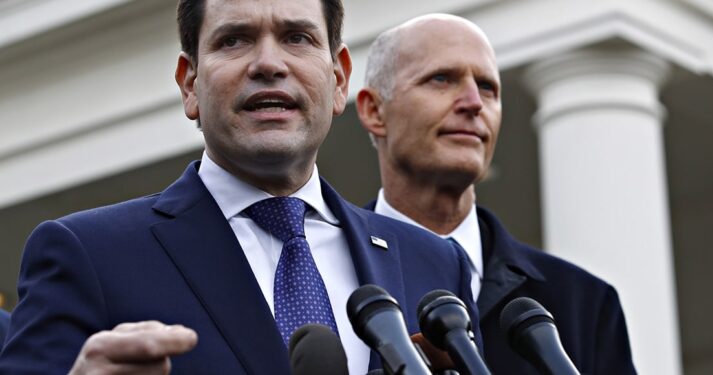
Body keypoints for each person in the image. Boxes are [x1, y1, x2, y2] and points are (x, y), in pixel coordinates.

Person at [0, 1, 478, 374]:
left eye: (296, 37)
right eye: (234, 40)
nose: (268, 63)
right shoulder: (88, 255)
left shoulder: (434, 263)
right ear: (189, 85)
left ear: (338, 80)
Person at [356, 14, 637, 374]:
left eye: (488, 87)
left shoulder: (584, 302)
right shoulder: (321, 275)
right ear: (374, 110)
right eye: (442, 79)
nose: (474, 102)